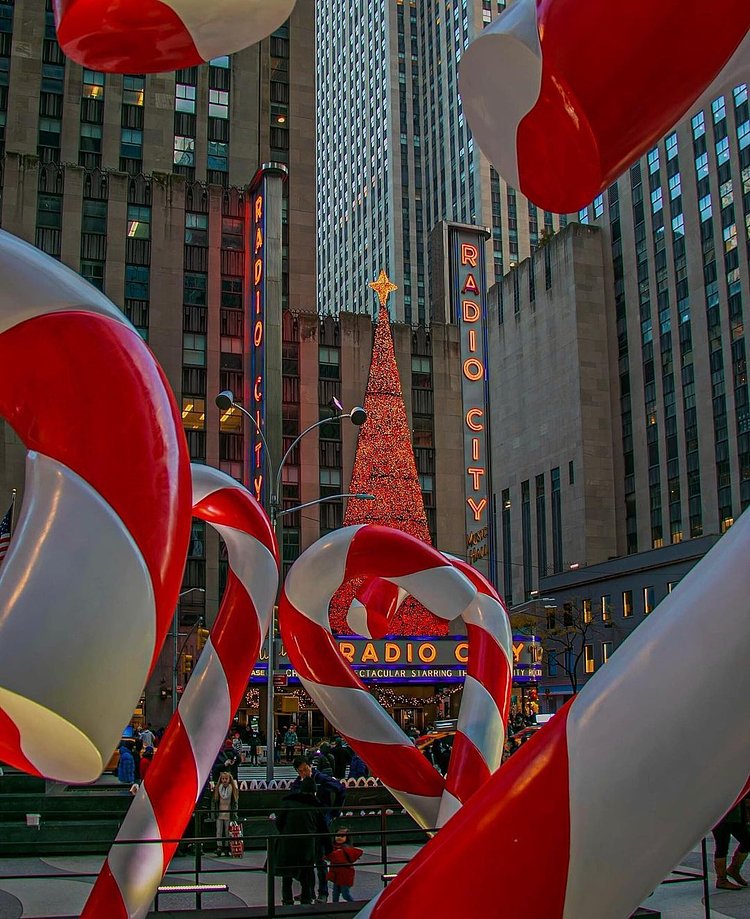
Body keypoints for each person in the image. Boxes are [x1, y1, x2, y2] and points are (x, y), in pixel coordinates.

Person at [291, 756, 346, 901]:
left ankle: (323, 892)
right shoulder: (297, 784)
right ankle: (308, 890)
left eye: (306, 769)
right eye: (301, 771)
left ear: (310, 766)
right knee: (307, 859)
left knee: (320, 859)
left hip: (321, 822)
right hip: (306, 824)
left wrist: (334, 812)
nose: (304, 773)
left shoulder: (321, 779)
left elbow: (340, 789)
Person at [275, 776, 331, 906]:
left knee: (287, 875)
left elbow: (279, 822)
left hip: (288, 843)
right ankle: (306, 901)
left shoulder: (288, 802)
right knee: (306, 875)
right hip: (307, 845)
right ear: (314, 791)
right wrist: (329, 849)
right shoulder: (315, 806)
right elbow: (323, 829)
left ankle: (287, 902)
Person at [712, 794, 749, 889]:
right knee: (722, 845)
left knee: (747, 841)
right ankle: (721, 879)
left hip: (736, 810)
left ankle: (734, 869)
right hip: (720, 813)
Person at [325, 827, 363, 903]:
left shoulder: (345, 849)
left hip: (344, 875)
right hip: (338, 874)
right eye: (337, 836)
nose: (339, 838)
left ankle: (352, 904)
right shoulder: (337, 848)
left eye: (342, 836)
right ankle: (336, 905)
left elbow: (333, 857)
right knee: (336, 893)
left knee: (345, 894)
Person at [212, 772, 239, 856]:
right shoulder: (217, 789)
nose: (224, 780)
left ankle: (227, 847)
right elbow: (214, 802)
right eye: (223, 779)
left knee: (228, 832)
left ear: (229, 779)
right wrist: (213, 813)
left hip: (228, 813)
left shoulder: (233, 789)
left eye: (226, 779)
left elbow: (235, 803)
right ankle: (219, 847)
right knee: (219, 831)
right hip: (219, 813)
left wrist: (234, 814)